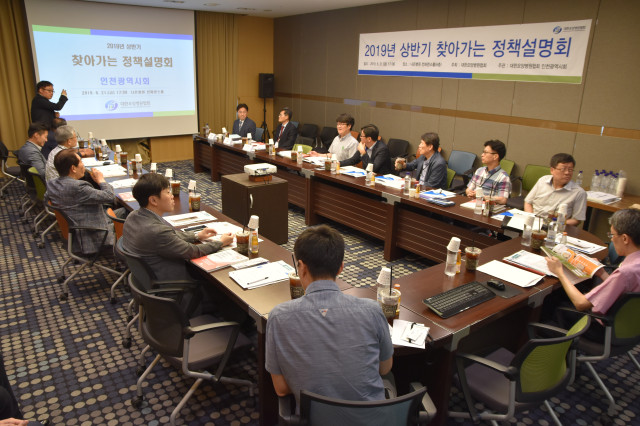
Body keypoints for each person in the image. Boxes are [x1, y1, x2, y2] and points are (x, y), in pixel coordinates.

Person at [265, 225, 393, 408]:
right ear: (341, 267)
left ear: (301, 268)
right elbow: (384, 368)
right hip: (372, 418)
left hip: (316, 418)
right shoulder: (372, 310)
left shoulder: (278, 317)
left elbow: (281, 389)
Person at [546, 209, 640, 339]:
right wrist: (601, 273)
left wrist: (559, 272)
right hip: (629, 328)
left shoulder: (625, 272)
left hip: (604, 330)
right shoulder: (634, 265)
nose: (612, 239)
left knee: (554, 302)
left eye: (612, 235)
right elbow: (622, 289)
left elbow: (580, 303)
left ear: (625, 238)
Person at [122, 173, 233, 281]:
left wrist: (197, 236)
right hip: (169, 281)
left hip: (145, 278)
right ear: (153, 200)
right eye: (168, 192)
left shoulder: (133, 216)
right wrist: (221, 242)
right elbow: (194, 251)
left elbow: (171, 236)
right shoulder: (157, 231)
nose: (172, 196)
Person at [46, 149, 117, 254]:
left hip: (76, 229)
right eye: (81, 162)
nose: (83, 165)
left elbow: (48, 198)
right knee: (128, 215)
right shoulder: (78, 187)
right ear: (73, 168)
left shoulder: (52, 184)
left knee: (119, 211)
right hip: (93, 233)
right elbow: (110, 196)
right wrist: (101, 180)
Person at [524, 153, 587, 226]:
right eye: (563, 169)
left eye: (570, 170)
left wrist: (555, 224)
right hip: (533, 222)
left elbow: (576, 220)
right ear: (552, 170)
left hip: (555, 227)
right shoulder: (543, 180)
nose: (567, 173)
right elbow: (528, 202)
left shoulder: (579, 192)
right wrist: (531, 218)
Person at [465, 139, 511, 205]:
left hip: (489, 207)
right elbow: (468, 189)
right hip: (473, 204)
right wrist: (470, 193)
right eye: (483, 152)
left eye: (485, 153)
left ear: (495, 156)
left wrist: (481, 197)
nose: (482, 155)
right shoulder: (479, 171)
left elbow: (502, 200)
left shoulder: (503, 177)